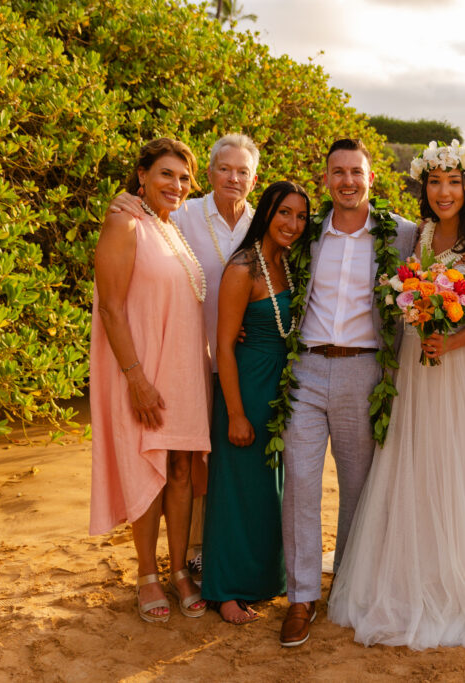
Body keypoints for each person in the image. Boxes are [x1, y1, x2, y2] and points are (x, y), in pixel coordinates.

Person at [328, 140, 465, 649]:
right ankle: (408, 576)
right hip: (412, 367)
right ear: (424, 186)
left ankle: (457, 580)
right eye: (435, 181)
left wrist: (452, 339)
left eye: (453, 181)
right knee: (410, 465)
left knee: (452, 468)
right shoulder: (417, 235)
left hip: (452, 370)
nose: (444, 191)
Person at [279, 139, 417, 647]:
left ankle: (352, 589)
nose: (347, 181)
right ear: (325, 180)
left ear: (371, 178)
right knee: (300, 482)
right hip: (308, 370)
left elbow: (449, 262)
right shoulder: (306, 234)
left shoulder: (401, 234)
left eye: (356, 172)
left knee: (360, 486)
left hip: (365, 373)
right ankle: (301, 596)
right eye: (337, 172)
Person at [110, 134, 261, 571]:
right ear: (209, 175)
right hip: (180, 359)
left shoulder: (260, 221)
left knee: (209, 463)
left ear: (254, 178)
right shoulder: (182, 214)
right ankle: (183, 560)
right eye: (224, 168)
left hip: (235, 363)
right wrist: (123, 202)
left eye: (243, 171)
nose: (234, 177)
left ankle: (203, 553)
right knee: (177, 464)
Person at [89, 137, 210, 623]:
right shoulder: (124, 223)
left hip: (183, 371)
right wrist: (136, 378)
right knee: (150, 470)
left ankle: (178, 570)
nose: (176, 185)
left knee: (180, 469)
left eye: (183, 178)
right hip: (144, 371)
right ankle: (146, 575)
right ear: (141, 174)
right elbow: (113, 308)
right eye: (166, 174)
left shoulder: (170, 227)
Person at [201, 181, 311, 624]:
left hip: (281, 391)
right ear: (266, 212)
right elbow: (223, 345)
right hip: (244, 388)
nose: (292, 224)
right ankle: (226, 589)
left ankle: (265, 580)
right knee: (235, 488)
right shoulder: (242, 268)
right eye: (284, 213)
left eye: (301, 216)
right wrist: (237, 413)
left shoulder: (289, 264)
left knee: (270, 491)